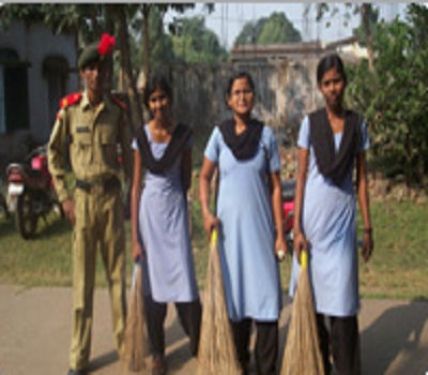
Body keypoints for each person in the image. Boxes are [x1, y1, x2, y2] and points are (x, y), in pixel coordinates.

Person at [47, 33, 132, 375]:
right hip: (81, 201)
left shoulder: (118, 112)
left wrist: (130, 195)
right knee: (82, 286)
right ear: (82, 74)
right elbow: (53, 152)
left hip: (111, 199)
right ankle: (78, 359)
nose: (97, 74)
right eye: (91, 69)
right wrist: (63, 195)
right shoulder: (69, 111)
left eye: (102, 68)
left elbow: (130, 153)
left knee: (117, 281)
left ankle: (126, 350)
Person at [290, 53, 374, 375]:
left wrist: (368, 227)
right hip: (312, 228)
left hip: (341, 231)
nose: (333, 88)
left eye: (337, 81)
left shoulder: (357, 124)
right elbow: (300, 178)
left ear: (345, 83)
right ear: (319, 87)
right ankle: (317, 365)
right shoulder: (309, 125)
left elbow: (362, 179)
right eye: (326, 83)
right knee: (310, 307)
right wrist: (296, 228)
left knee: (342, 309)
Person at [199, 71, 286, 375]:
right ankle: (238, 363)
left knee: (266, 299)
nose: (242, 97)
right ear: (228, 99)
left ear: (254, 96)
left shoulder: (266, 136)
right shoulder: (218, 136)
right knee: (234, 301)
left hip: (261, 234)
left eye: (247, 91)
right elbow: (204, 176)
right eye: (236, 92)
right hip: (228, 238)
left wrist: (279, 233)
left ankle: (266, 368)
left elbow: (276, 187)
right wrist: (207, 212)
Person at [130, 74, 201, 375]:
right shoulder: (141, 138)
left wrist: (185, 218)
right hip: (150, 216)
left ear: (170, 99)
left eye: (163, 98)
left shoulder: (183, 135)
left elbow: (185, 180)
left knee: (185, 280)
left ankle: (201, 342)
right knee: (152, 287)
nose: (159, 104)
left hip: (174, 212)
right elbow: (135, 187)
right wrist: (135, 237)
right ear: (148, 104)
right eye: (153, 99)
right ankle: (157, 353)